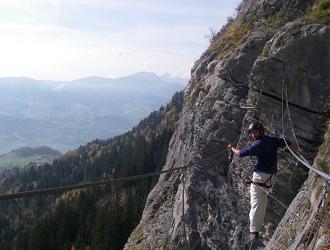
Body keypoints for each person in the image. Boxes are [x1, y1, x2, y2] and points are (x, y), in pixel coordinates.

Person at [227, 122, 300, 240]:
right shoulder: (272, 140)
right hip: (269, 179)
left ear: (260, 131)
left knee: (256, 204)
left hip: (259, 178)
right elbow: (286, 142)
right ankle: (257, 227)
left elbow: (240, 153)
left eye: (255, 132)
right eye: (252, 133)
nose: (253, 135)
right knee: (262, 203)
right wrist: (298, 149)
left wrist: (232, 148)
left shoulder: (257, 145)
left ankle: (254, 231)